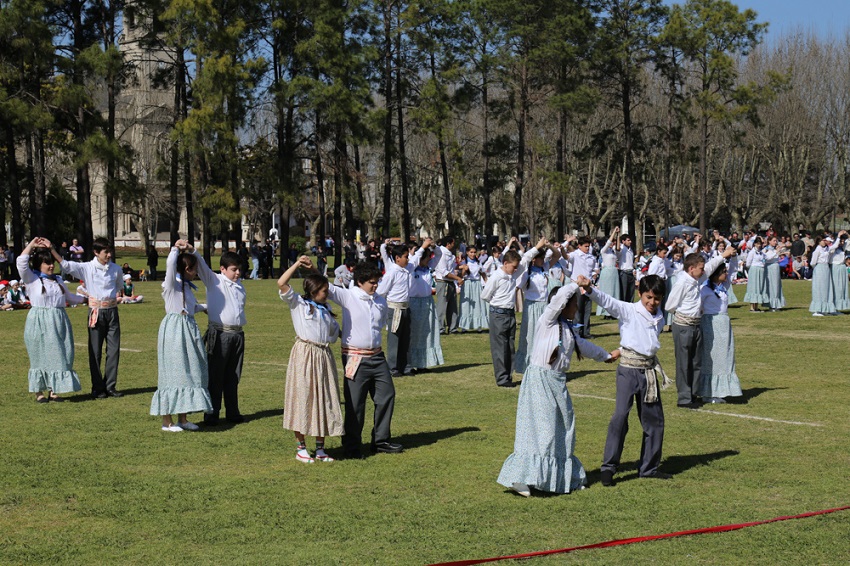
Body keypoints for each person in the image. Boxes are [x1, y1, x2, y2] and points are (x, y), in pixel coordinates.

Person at [497, 283, 617, 497]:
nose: (576, 308)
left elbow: (584, 346)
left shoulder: (568, 329)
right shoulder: (547, 321)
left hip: (557, 382)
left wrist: (606, 356)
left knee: (563, 428)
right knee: (542, 430)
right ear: (562, 305)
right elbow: (559, 299)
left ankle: (565, 477)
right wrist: (575, 284)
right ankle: (521, 477)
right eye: (573, 304)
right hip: (540, 381)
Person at [576, 274, 672, 486]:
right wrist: (589, 288)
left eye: (657, 298)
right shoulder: (629, 310)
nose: (652, 302)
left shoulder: (660, 317)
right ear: (640, 294)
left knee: (654, 421)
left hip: (648, 371)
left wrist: (622, 349)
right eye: (648, 297)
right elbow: (608, 302)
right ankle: (608, 468)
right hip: (628, 372)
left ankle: (649, 468)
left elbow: (646, 341)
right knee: (619, 417)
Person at [327, 261, 402, 458]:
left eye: (377, 281)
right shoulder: (349, 296)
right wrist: (308, 267)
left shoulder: (380, 301)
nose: (375, 285)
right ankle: (352, 446)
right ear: (359, 282)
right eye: (371, 282)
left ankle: (381, 440)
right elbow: (325, 287)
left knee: (387, 395)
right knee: (355, 404)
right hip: (355, 357)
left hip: (377, 357)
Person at [278, 255, 343, 463]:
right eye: (323, 292)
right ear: (314, 292)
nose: (327, 294)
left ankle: (321, 448)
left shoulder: (326, 310)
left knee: (323, 399)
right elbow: (281, 283)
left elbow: (336, 333)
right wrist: (297, 264)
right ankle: (301, 447)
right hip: (305, 355)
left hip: (323, 356)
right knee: (303, 398)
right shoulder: (299, 304)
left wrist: (313, 268)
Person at [150, 240, 213, 431]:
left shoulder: (187, 288)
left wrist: (207, 308)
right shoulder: (171, 284)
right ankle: (166, 421)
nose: (195, 273)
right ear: (186, 268)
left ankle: (183, 418)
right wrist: (175, 249)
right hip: (175, 329)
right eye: (193, 269)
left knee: (190, 371)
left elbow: (191, 307)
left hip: (189, 328)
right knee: (173, 372)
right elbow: (170, 266)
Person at [53, 237, 124, 399]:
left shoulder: (116, 269)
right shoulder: (87, 268)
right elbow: (66, 265)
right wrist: (52, 249)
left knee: (113, 350)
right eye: (106, 252)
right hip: (96, 311)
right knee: (95, 351)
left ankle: (110, 386)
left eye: (110, 251)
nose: (109, 255)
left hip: (112, 311)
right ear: (96, 252)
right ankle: (97, 387)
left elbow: (118, 286)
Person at [16, 238, 85, 403]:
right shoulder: (31, 279)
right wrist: (32, 244)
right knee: (39, 355)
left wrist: (89, 299)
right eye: (47, 263)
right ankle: (39, 392)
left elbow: (70, 298)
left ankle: (54, 391)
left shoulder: (58, 280)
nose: (51, 266)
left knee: (61, 354)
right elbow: (21, 262)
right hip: (39, 321)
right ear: (39, 264)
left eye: (52, 263)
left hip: (59, 319)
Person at [664, 246, 734, 408]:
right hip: (683, 326)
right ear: (691, 269)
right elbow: (669, 305)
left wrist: (724, 255)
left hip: (696, 325)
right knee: (684, 363)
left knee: (696, 362)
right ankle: (684, 398)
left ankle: (694, 393)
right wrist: (685, 314)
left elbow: (709, 267)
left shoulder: (697, 279)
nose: (703, 271)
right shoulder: (682, 282)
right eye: (700, 268)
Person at [196, 250, 247, 425]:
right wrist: (191, 250)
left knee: (233, 376)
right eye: (234, 269)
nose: (238, 273)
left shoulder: (240, 285)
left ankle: (233, 412)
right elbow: (201, 266)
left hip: (238, 334)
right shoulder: (214, 281)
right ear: (223, 269)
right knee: (216, 376)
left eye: (239, 269)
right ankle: (212, 413)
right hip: (220, 333)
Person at [378, 239, 429, 376]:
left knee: (406, 339)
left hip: (406, 308)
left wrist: (423, 247)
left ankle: (406, 366)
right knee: (394, 340)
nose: (408, 259)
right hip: (395, 309)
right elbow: (381, 291)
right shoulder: (392, 273)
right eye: (405, 257)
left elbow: (416, 258)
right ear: (397, 258)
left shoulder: (406, 269)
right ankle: (393, 368)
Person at [698, 262, 743, 404]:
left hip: (724, 323)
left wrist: (732, 255)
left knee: (725, 356)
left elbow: (734, 266)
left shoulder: (723, 287)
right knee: (712, 356)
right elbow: (697, 306)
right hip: (711, 322)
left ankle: (720, 390)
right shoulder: (705, 289)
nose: (726, 274)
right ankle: (708, 391)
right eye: (723, 271)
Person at [481, 249, 524, 387]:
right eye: (513, 266)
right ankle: (502, 378)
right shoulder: (496, 277)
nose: (516, 269)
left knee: (510, 346)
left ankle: (508, 375)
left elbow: (526, 260)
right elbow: (485, 295)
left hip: (510, 313)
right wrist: (498, 305)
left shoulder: (512, 274)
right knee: (500, 347)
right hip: (498, 314)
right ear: (505, 263)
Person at [514, 238, 551, 374]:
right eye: (540, 258)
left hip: (544, 305)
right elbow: (517, 286)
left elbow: (557, 255)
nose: (543, 261)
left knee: (544, 335)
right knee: (530, 335)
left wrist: (549, 245)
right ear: (535, 260)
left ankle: (543, 362)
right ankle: (528, 364)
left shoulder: (544, 270)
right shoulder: (527, 273)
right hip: (532, 306)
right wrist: (537, 246)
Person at [408, 244, 444, 371]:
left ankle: (423, 363)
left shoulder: (428, 268)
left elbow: (439, 254)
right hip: (414, 303)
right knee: (414, 334)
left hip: (427, 303)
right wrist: (419, 249)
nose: (430, 259)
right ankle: (411, 363)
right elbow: (413, 258)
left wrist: (434, 247)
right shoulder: (411, 268)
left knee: (426, 334)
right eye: (428, 257)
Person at [565, 236, 596, 338]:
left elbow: (594, 270)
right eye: (585, 246)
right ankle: (576, 332)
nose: (587, 248)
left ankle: (586, 332)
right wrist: (566, 243)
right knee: (577, 310)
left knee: (587, 309)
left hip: (588, 285)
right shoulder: (575, 255)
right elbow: (566, 256)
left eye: (588, 246)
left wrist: (594, 278)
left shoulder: (591, 257)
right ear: (579, 246)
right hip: (578, 286)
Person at [434, 237, 464, 334]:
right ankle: (440, 328)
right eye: (453, 243)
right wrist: (458, 278)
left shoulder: (450, 254)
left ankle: (452, 328)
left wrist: (461, 268)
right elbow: (444, 272)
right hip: (443, 282)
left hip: (450, 282)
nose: (454, 245)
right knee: (442, 306)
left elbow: (451, 268)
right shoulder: (441, 254)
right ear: (448, 243)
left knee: (453, 307)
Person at [809, 234, 843, 316]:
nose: (825, 242)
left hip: (826, 268)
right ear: (819, 241)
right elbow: (813, 262)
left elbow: (834, 246)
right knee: (820, 288)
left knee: (827, 288)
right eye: (823, 240)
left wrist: (838, 237)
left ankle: (827, 308)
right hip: (820, 268)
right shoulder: (817, 250)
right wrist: (817, 268)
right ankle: (817, 310)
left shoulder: (826, 249)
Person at [458, 246, 490, 332]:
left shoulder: (478, 262)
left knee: (478, 304)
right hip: (468, 283)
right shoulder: (465, 262)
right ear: (467, 252)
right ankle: (464, 326)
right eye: (471, 252)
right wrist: (464, 269)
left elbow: (482, 273)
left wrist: (487, 283)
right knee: (466, 305)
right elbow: (462, 275)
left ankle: (478, 325)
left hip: (477, 283)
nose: (473, 254)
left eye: (474, 252)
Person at [596, 228, 621, 317]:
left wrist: (618, 235)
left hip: (614, 271)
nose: (612, 243)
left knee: (614, 291)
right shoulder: (604, 251)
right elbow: (609, 242)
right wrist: (614, 231)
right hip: (607, 271)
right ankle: (605, 312)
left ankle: (613, 311)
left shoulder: (613, 251)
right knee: (607, 292)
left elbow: (618, 248)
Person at [743, 237, 768, 313]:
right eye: (757, 244)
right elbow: (748, 264)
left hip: (761, 270)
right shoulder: (752, 252)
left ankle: (756, 307)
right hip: (754, 270)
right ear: (754, 244)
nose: (759, 245)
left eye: (760, 244)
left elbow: (765, 260)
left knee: (759, 288)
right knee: (753, 287)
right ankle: (752, 307)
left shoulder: (762, 253)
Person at [762, 236, 786, 312]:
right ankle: (771, 304)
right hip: (769, 267)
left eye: (776, 241)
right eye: (774, 241)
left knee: (776, 285)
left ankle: (776, 304)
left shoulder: (775, 249)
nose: (775, 242)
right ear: (769, 241)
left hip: (775, 267)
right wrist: (776, 251)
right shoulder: (766, 249)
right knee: (770, 285)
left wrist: (778, 251)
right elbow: (767, 258)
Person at [831, 233, 850, 311]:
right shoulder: (833, 248)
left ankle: (839, 306)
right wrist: (838, 237)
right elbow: (834, 246)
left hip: (842, 268)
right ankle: (834, 305)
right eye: (840, 241)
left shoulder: (843, 248)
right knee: (836, 287)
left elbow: (848, 243)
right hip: (835, 268)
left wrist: (848, 235)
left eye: (843, 242)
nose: (842, 243)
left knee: (842, 287)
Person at [618, 233, 636, 303]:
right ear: (623, 241)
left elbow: (631, 262)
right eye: (628, 240)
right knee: (624, 293)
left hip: (631, 272)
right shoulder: (621, 249)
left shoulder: (631, 250)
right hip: (624, 272)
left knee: (631, 293)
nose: (630, 242)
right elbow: (617, 249)